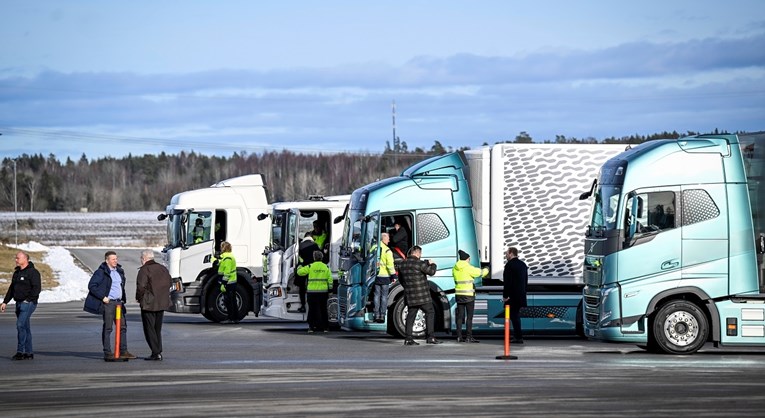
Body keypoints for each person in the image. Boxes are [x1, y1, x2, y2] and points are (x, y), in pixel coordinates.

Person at [83, 251, 137, 361]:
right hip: (109, 303)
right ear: (107, 260)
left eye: (116, 259)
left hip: (119, 303)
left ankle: (123, 351)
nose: (115, 261)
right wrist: (103, 297)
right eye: (113, 259)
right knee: (108, 328)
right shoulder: (101, 272)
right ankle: (107, 352)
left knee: (122, 327)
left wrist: (123, 299)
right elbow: (92, 286)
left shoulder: (119, 272)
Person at [1, 251, 41, 360]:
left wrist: (28, 300)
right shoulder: (17, 273)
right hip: (18, 303)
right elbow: (11, 288)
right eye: (16, 258)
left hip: (28, 303)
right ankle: (29, 352)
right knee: (25, 327)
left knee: (20, 325)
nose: (16, 260)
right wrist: (5, 302)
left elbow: (37, 288)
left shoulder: (33, 272)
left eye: (18, 258)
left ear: (25, 259)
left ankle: (20, 351)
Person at [398, 245, 440, 345]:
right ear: (417, 253)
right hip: (422, 296)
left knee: (411, 315)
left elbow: (401, 279)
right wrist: (433, 264)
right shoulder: (419, 263)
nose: (421, 255)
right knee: (430, 312)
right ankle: (430, 337)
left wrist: (408, 287)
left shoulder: (402, 264)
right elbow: (431, 272)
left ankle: (408, 338)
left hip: (410, 295)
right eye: (420, 253)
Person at [136, 249, 172, 361]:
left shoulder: (144, 270)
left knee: (149, 328)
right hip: (161, 303)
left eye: (141, 259)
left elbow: (141, 286)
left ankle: (155, 352)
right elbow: (170, 283)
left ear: (144, 258)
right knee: (157, 328)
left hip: (149, 303)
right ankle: (158, 351)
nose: (141, 261)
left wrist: (139, 298)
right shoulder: (163, 269)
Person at [452, 249, 488, 343]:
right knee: (469, 317)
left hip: (459, 294)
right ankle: (469, 337)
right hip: (468, 295)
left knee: (459, 317)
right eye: (469, 259)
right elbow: (481, 273)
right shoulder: (468, 267)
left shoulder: (455, 268)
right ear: (467, 259)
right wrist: (487, 268)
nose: (470, 260)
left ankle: (459, 337)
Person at [297, 250, 333, 333]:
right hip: (323, 292)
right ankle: (325, 328)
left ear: (314, 257)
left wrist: (300, 265)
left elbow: (299, 272)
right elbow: (330, 279)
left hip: (312, 292)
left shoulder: (310, 266)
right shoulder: (326, 267)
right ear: (322, 257)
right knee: (323, 309)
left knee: (312, 310)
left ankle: (311, 327)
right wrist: (330, 289)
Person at [502, 247, 528, 344]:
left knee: (514, 316)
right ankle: (518, 336)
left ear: (511, 253)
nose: (506, 255)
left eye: (506, 253)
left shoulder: (509, 265)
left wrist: (505, 295)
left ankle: (518, 337)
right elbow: (525, 281)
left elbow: (507, 282)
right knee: (516, 316)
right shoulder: (523, 265)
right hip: (520, 295)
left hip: (512, 296)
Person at [374, 232, 396, 323]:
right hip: (385, 277)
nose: (389, 240)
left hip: (376, 276)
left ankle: (376, 314)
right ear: (383, 239)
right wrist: (394, 275)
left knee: (376, 295)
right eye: (388, 238)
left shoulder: (374, 248)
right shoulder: (387, 251)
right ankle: (382, 315)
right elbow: (390, 265)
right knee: (384, 296)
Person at [296, 233, 320, 313]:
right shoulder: (315, 245)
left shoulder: (300, 245)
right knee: (312, 287)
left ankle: (303, 305)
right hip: (313, 269)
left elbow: (298, 258)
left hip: (303, 268)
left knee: (302, 288)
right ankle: (313, 307)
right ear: (311, 237)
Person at [218, 241, 239, 324]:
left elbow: (227, 272)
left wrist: (223, 283)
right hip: (231, 282)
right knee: (232, 301)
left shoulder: (227, 258)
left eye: (221, 246)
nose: (220, 248)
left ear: (224, 248)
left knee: (229, 301)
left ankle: (231, 318)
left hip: (228, 283)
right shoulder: (227, 257)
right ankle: (235, 318)